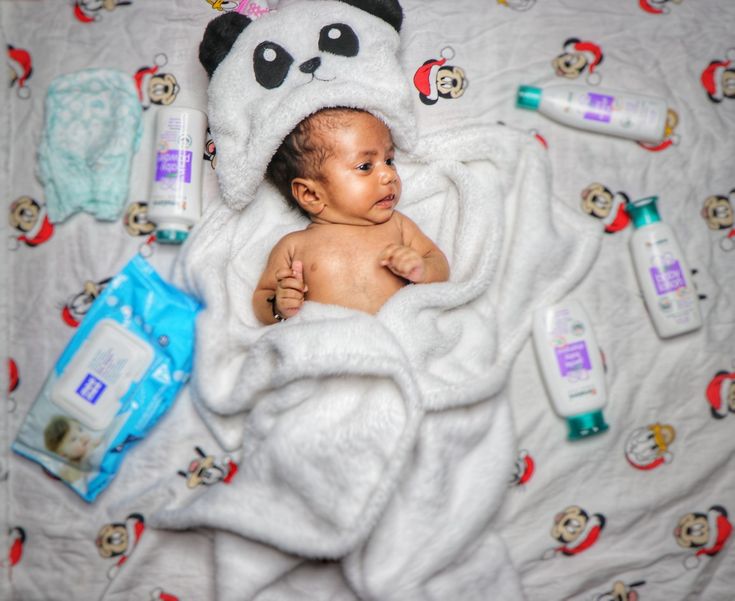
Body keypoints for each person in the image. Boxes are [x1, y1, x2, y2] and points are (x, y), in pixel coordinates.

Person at [254, 108, 449, 324]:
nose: (390, 175)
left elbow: (439, 263)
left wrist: (421, 270)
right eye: (365, 166)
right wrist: (280, 306)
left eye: (389, 161)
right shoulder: (294, 245)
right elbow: (263, 299)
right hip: (324, 343)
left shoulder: (397, 225)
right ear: (310, 194)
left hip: (394, 335)